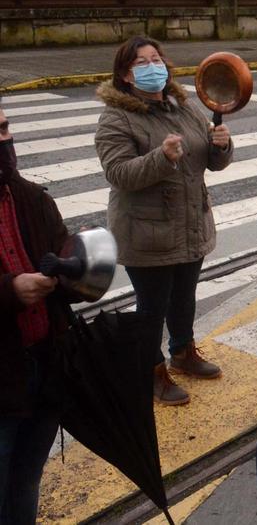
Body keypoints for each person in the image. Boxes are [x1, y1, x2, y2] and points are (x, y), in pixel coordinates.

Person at [95, 36, 232, 406]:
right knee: (152, 306)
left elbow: (209, 162)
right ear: (125, 74)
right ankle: (151, 370)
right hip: (146, 231)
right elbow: (119, 173)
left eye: (157, 58)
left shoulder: (184, 107)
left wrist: (221, 146)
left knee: (184, 297)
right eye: (142, 63)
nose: (154, 66)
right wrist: (162, 157)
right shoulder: (116, 118)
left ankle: (183, 352)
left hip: (190, 222)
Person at [0, 106, 87, 524]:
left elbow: (63, 252)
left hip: (44, 366)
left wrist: (74, 271)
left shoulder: (33, 198)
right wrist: (9, 291)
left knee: (25, 482)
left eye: (3, 128)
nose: (4, 142)